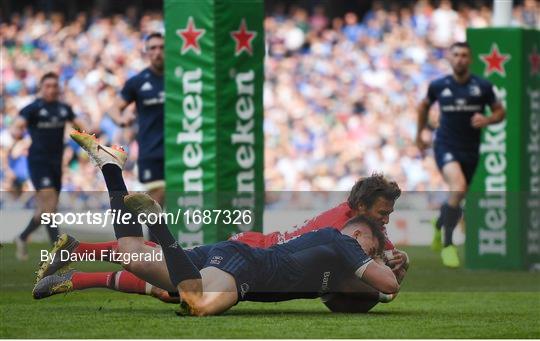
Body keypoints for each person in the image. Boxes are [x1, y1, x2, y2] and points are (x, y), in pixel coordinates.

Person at [33, 131, 399, 315]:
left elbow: (353, 298)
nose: (383, 237)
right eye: (381, 226)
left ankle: (110, 167)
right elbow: (386, 285)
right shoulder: (344, 239)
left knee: (132, 255)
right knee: (194, 301)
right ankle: (157, 224)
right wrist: (391, 267)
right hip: (246, 263)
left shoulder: (342, 247)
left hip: (237, 255)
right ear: (360, 222)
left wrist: (388, 267)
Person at [416, 41, 505, 268]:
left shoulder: (483, 86)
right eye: (456, 55)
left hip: (470, 149)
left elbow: (500, 112)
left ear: (470, 59)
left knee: (458, 195)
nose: (460, 59)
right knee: (459, 187)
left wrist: (487, 120)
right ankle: (448, 245)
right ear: (450, 58)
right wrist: (420, 133)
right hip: (445, 144)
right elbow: (423, 106)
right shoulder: (438, 85)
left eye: (464, 55)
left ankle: (439, 224)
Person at [10, 72, 86, 260]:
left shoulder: (63, 109)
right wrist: (16, 132)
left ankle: (22, 237)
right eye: (48, 86)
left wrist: (88, 135)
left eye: (55, 85)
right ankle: (59, 249)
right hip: (38, 162)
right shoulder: (32, 109)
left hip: (56, 163)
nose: (52, 89)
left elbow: (82, 127)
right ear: (41, 88)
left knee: (46, 209)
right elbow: (17, 125)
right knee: (50, 207)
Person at [107, 32, 165, 223]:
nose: (157, 52)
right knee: (156, 203)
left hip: (182, 151)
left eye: (162, 47)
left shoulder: (183, 80)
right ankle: (155, 248)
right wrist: (123, 120)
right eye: (153, 48)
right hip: (151, 152)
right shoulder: (138, 82)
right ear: (146, 52)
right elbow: (114, 108)